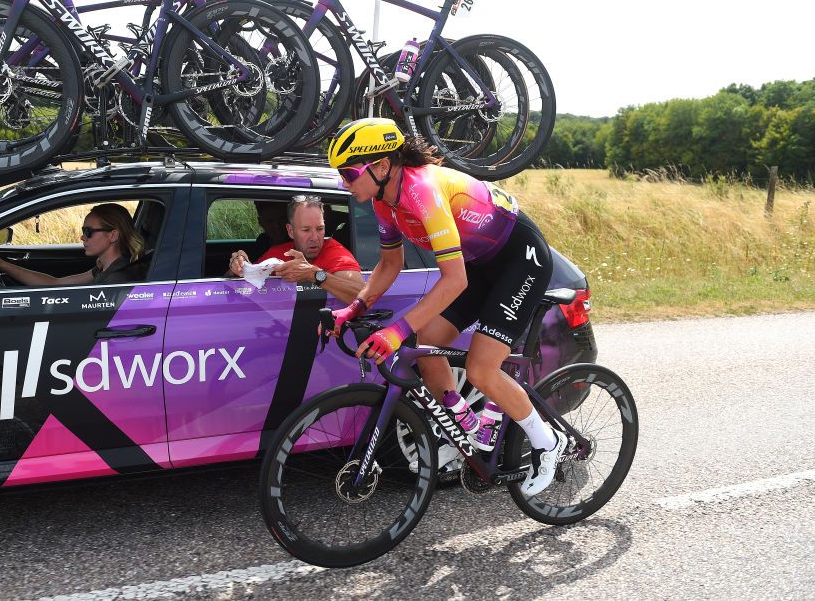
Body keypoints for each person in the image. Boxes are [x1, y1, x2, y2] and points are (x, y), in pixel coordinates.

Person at [325, 117, 566, 497]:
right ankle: (468, 426)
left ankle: (548, 443)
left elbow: (455, 280)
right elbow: (390, 264)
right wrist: (353, 307)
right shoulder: (384, 201)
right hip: (482, 263)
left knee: (481, 369)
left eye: (349, 172)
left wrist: (396, 329)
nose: (344, 182)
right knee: (427, 342)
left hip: (520, 259)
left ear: (382, 165)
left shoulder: (422, 191)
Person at [228, 195, 364, 303]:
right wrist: (238, 265)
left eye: (320, 229)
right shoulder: (278, 252)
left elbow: (362, 295)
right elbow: (239, 279)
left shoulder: (336, 254)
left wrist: (313, 274)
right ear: (291, 231)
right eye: (306, 230)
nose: (315, 237)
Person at [0, 203, 144, 286]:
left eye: (88, 231)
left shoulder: (116, 278)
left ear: (113, 235)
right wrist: (1, 264)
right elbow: (54, 283)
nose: (82, 237)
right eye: (83, 230)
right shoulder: (105, 268)